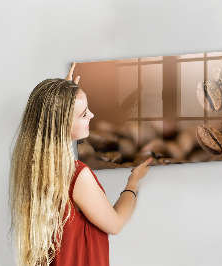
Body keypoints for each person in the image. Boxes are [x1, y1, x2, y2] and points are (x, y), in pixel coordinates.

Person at [9, 63, 152, 266]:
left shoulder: (30, 168)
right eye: (84, 114)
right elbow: (115, 223)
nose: (91, 115)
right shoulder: (77, 176)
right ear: (63, 124)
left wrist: (64, 96)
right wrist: (133, 182)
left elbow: (52, 118)